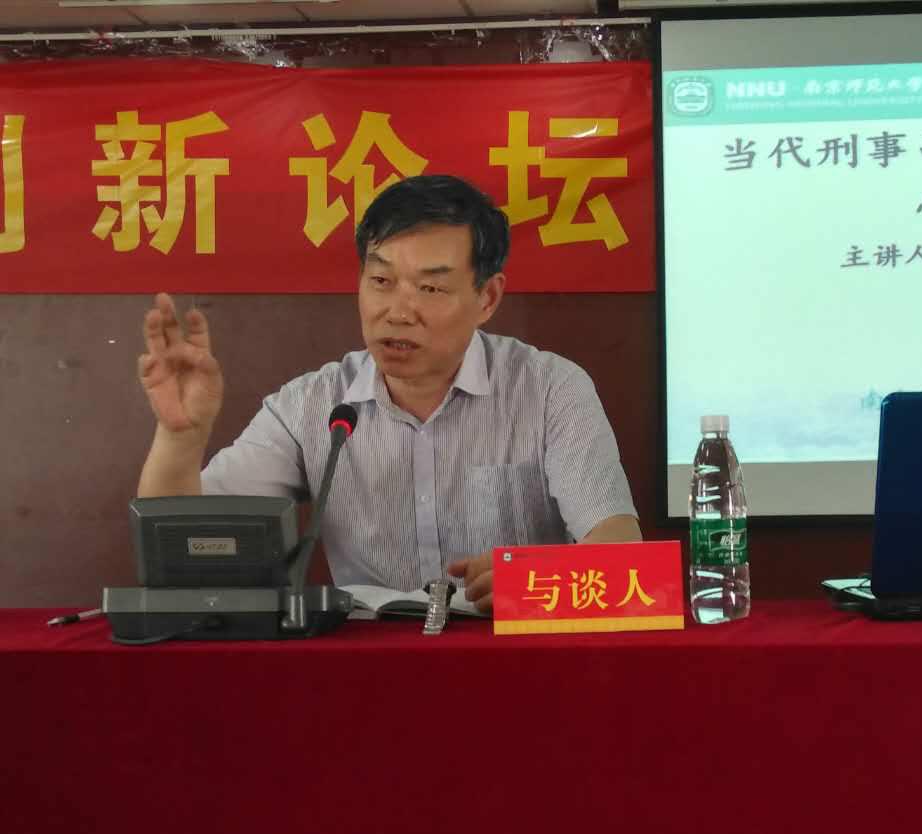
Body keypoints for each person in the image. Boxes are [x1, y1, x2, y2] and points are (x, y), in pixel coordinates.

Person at [136, 174, 640, 612]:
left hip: (516, 657)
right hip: (363, 667)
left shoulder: (550, 389)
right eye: (381, 280)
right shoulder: (312, 406)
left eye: (431, 288)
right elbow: (183, 547)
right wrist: (180, 438)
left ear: (487, 298)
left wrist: (535, 580)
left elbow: (621, 554)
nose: (398, 312)